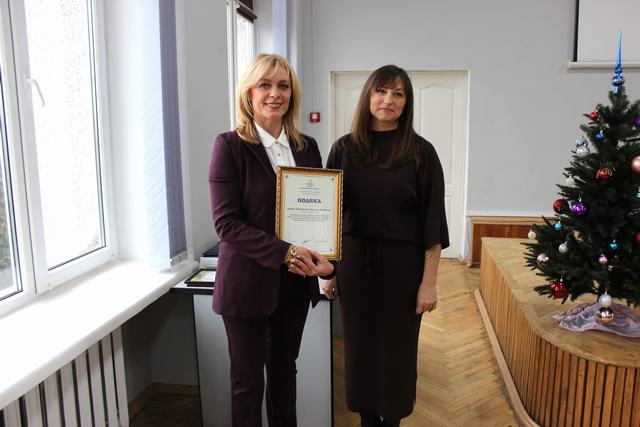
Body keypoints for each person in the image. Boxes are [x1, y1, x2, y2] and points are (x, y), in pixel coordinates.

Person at [208, 53, 335, 427]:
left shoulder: (307, 147)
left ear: (292, 94)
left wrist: (328, 261)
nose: (274, 94)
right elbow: (226, 224)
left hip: (294, 284)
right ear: (248, 94)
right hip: (246, 285)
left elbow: (319, 213)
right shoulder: (229, 146)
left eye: (283, 86)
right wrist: (285, 251)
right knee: (247, 385)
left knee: (284, 374)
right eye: (264, 85)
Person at [323, 65, 449, 427]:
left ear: (407, 103)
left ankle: (393, 420)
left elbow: (433, 227)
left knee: (397, 352)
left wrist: (428, 283)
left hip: (403, 271)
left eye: (398, 93)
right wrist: (330, 272)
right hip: (354, 267)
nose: (387, 100)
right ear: (368, 96)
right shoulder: (343, 149)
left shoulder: (422, 153)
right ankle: (367, 419)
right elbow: (329, 217)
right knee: (359, 348)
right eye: (381, 91)